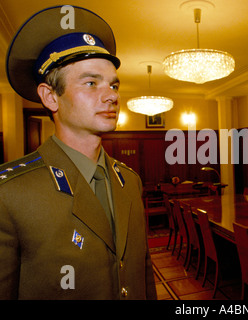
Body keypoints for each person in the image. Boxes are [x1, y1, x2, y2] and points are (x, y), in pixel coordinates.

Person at [0, 5, 157, 299]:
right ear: (50, 97)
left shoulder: (130, 181)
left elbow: (143, 272)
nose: (112, 95)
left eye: (113, 84)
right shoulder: (9, 193)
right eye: (91, 82)